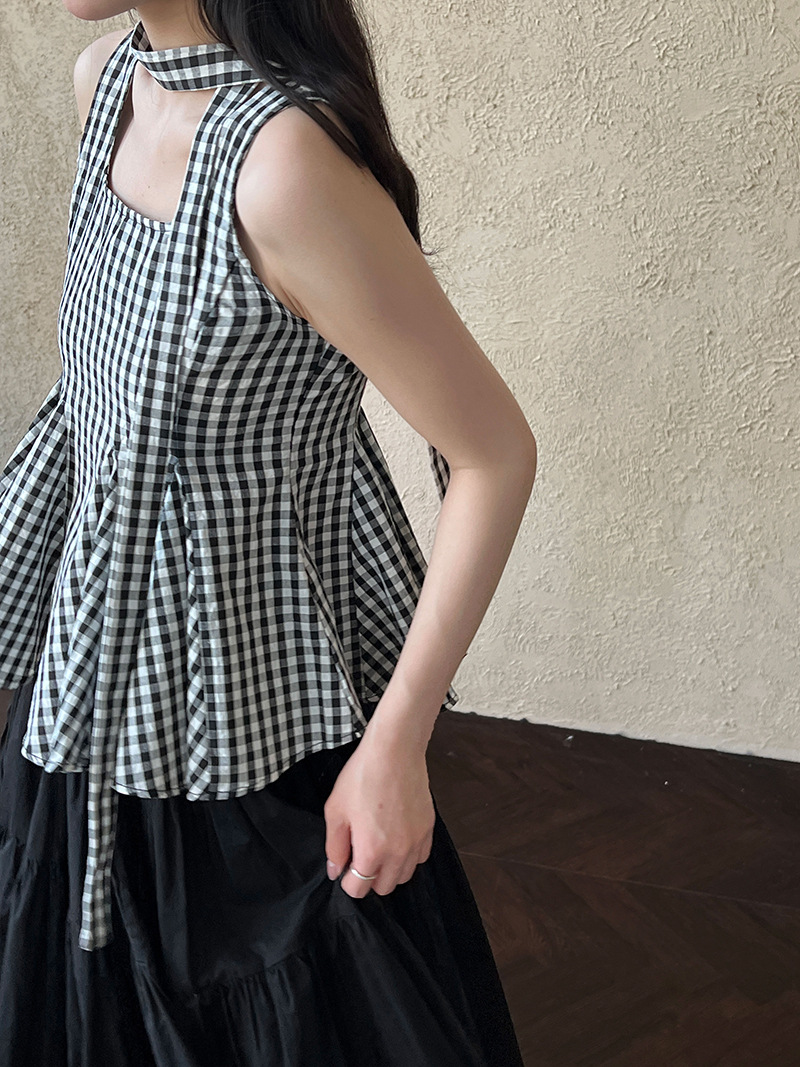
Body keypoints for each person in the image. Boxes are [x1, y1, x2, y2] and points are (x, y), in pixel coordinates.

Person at [0, 1, 536, 1063]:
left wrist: (396, 748)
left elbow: (493, 454)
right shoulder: (105, 81)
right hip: (97, 664)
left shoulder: (280, 167)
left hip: (248, 689)